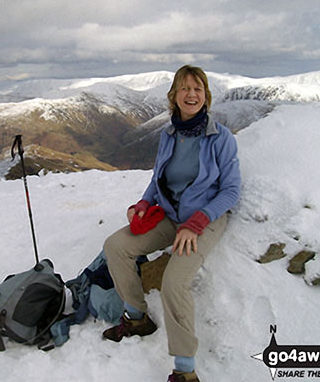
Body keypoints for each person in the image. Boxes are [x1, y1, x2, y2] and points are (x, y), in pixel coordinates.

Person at [102, 65, 241, 382]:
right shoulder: (168, 134)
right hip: (169, 215)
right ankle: (137, 318)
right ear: (174, 96)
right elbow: (157, 179)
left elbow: (232, 190)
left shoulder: (221, 139)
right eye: (185, 88)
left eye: (198, 89)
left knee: (174, 282)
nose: (191, 94)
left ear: (205, 97)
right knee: (116, 246)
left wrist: (198, 221)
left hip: (205, 219)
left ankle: (185, 370)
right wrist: (143, 203)